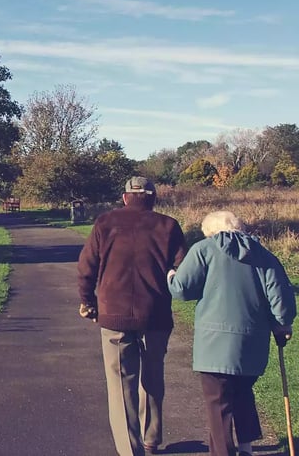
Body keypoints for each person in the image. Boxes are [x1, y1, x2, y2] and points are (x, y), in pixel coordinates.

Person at [167, 210, 296, 456]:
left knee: (218, 405)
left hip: (213, 345)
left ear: (211, 231)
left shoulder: (203, 249)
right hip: (252, 342)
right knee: (243, 392)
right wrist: (283, 324)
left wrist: (171, 275)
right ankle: (245, 448)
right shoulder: (263, 255)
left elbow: (182, 290)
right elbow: (281, 301)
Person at [77, 176, 187, 456]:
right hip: (156, 315)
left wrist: (87, 302)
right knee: (152, 376)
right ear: (152, 198)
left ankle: (130, 450)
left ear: (125, 197)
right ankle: (151, 439)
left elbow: (87, 266)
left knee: (120, 385)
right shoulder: (168, 225)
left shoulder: (105, 222)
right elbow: (182, 271)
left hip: (114, 314)